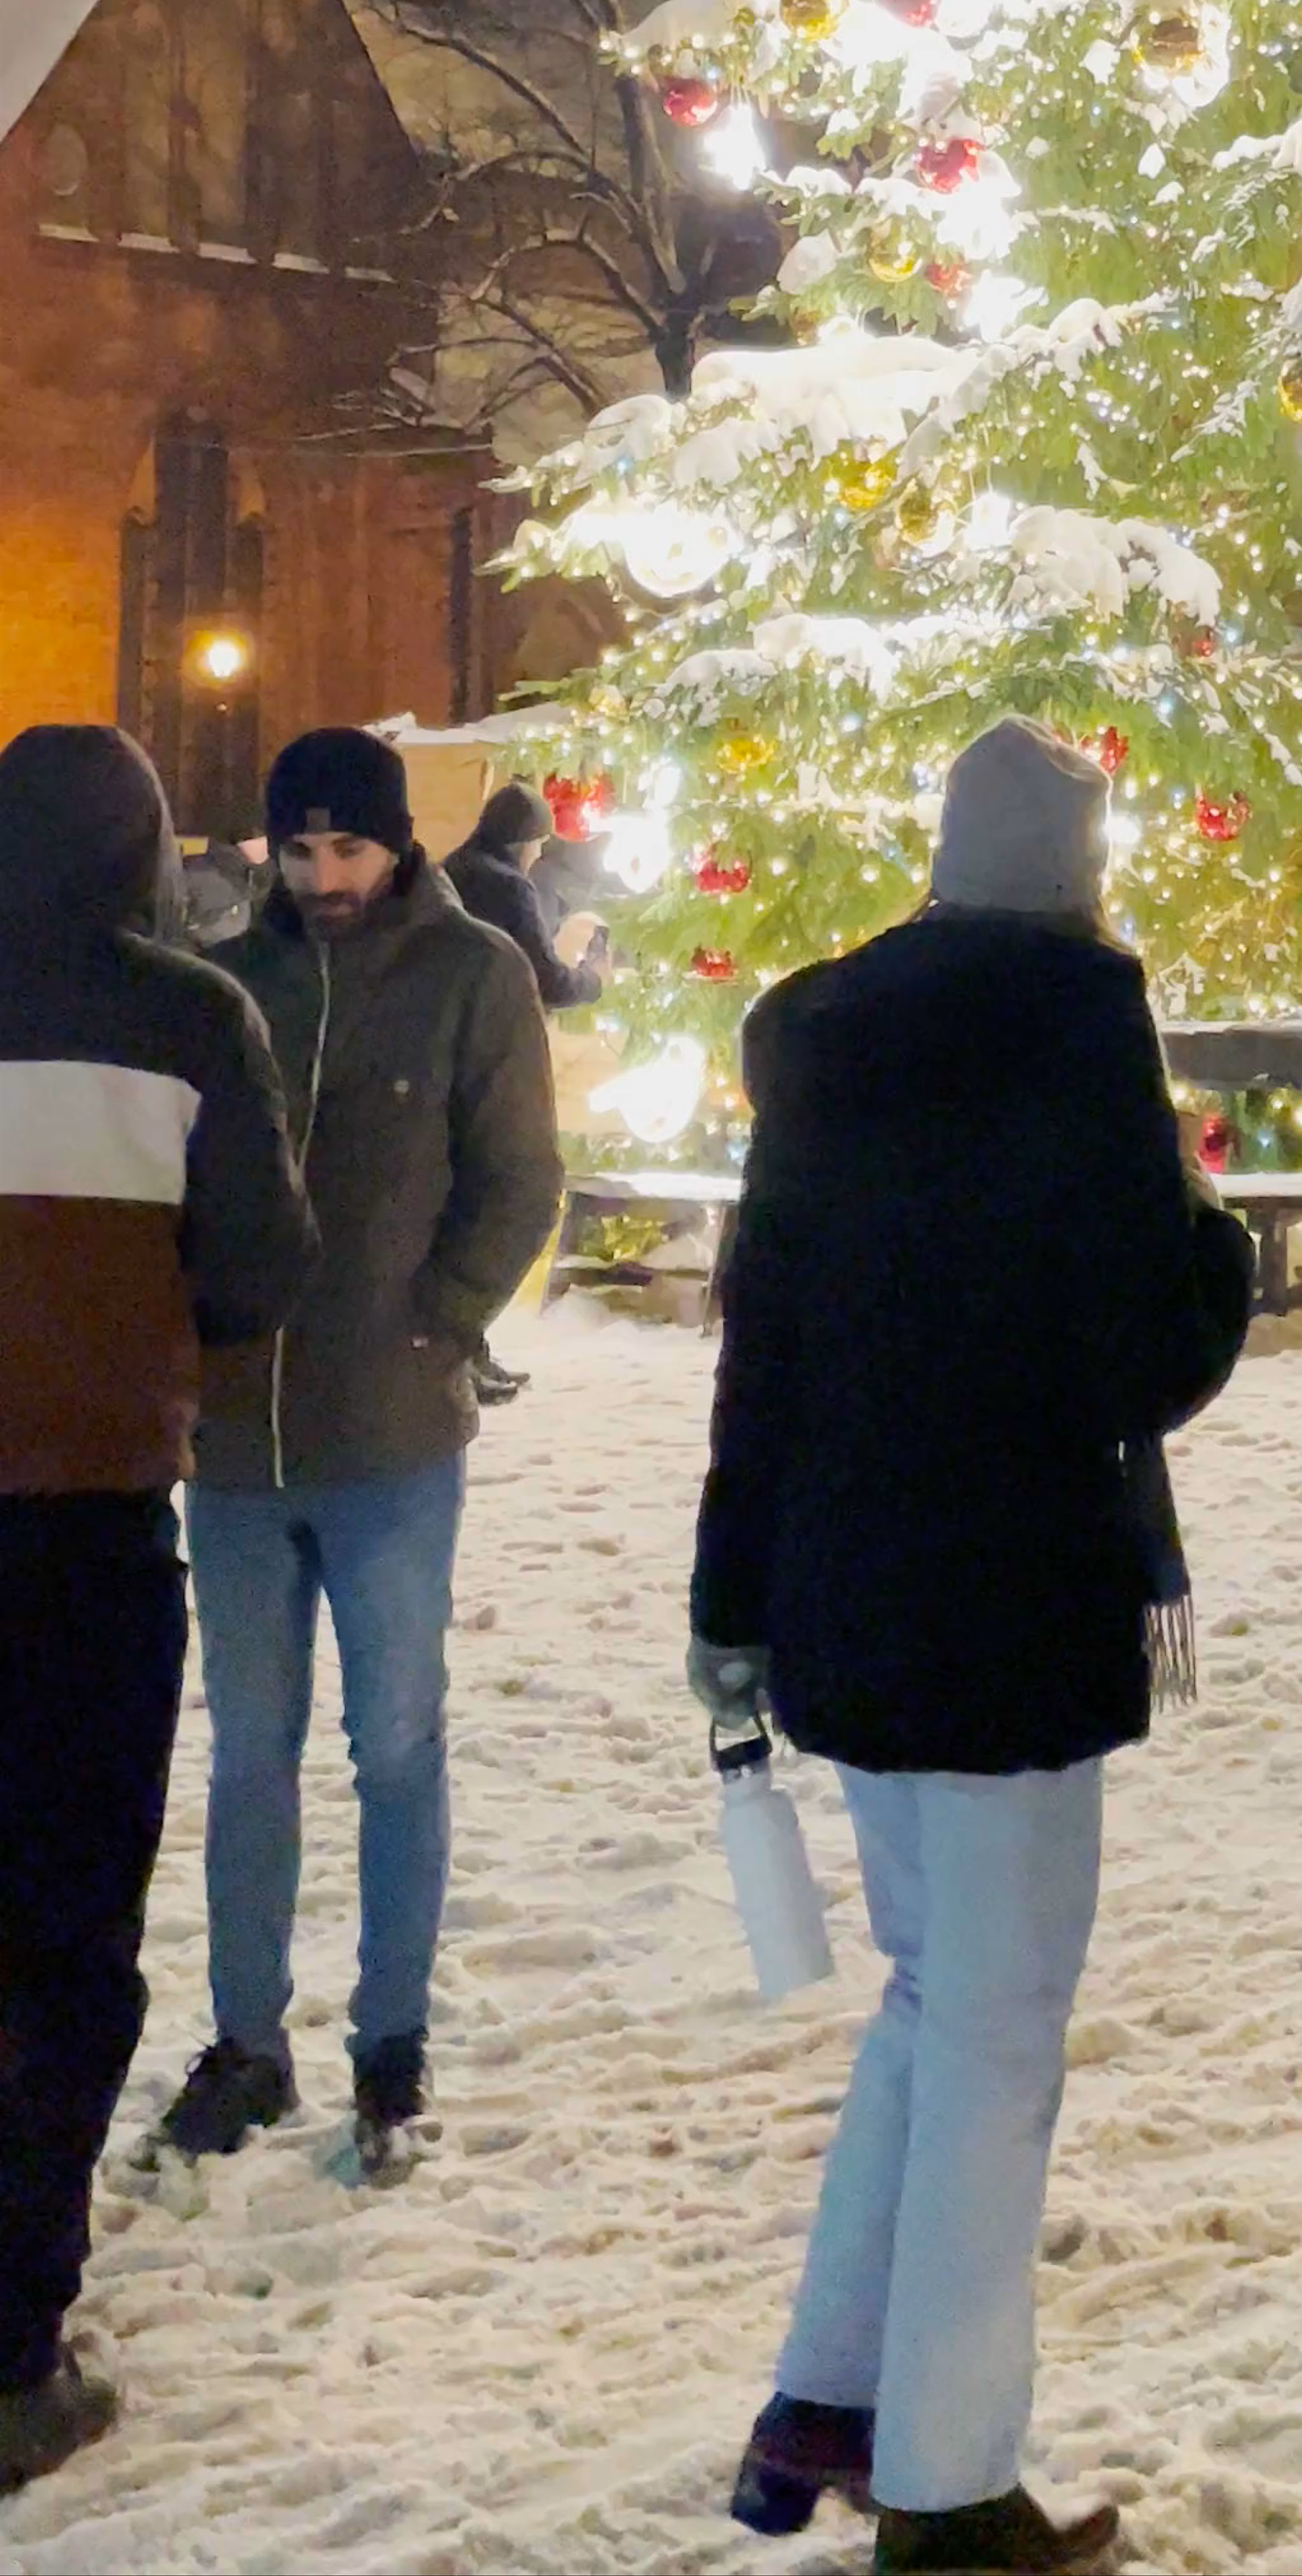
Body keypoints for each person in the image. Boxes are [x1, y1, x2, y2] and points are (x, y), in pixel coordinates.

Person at [692, 718, 1255, 2572]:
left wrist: (729, 1597)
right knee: (999, 2032)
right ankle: (947, 2490)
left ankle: (829, 2394)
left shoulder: (828, 1035)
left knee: (938, 1997)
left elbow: (755, 1342)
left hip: (850, 1589)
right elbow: (1142, 1344)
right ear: (1077, 866)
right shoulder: (1082, 1019)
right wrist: (1221, 1252)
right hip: (1010, 1600)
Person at [150, 727, 562, 2184]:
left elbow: (518, 1173)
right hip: (240, 1442)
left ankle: (391, 2033)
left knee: (396, 1742)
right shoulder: (225, 981)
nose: (327, 876)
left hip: (390, 1436)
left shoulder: (472, 977)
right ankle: (244, 2036)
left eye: (351, 847)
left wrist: (439, 1321)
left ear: (398, 843)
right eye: (303, 848)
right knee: (248, 1750)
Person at [0, 728, 314, 2497]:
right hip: (82, 1536)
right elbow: (260, 1268)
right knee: (62, 1933)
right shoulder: (187, 1016)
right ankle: (10, 2345)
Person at [445, 781, 608, 1013]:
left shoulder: (454, 865)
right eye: (539, 844)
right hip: (479, 1023)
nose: (539, 854)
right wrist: (593, 981)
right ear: (523, 842)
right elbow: (548, 983)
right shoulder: (511, 888)